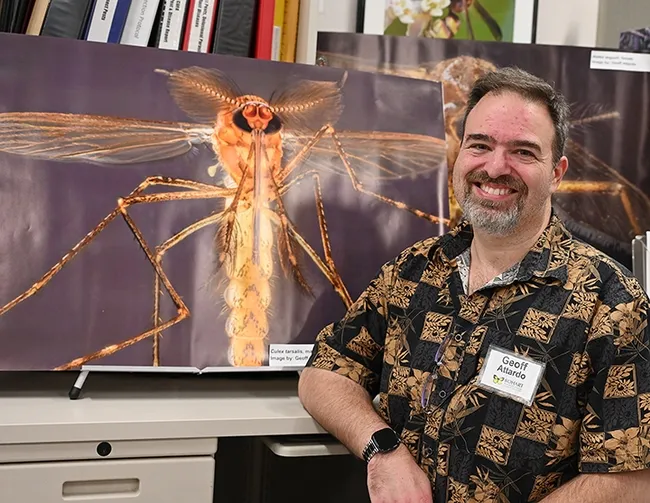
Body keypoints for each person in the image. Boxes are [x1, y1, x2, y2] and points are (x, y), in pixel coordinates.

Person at [297, 66, 650, 503]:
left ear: (557, 172)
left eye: (523, 152)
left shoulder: (612, 302)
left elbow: (633, 478)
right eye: (480, 145)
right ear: (459, 154)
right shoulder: (415, 270)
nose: (495, 167)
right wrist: (382, 451)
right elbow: (325, 371)